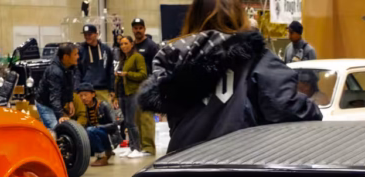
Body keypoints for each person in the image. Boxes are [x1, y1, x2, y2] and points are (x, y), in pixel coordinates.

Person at [138, 0, 321, 154]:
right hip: (238, 165)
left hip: (184, 165)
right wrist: (313, 109)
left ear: (193, 17)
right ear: (238, 16)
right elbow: (286, 107)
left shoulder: (170, 58)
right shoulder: (255, 56)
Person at [131, 17, 160, 157]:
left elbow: (156, 65)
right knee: (136, 118)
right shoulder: (131, 46)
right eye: (135, 28)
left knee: (146, 117)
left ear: (144, 29)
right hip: (133, 86)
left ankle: (149, 148)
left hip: (147, 85)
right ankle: (140, 146)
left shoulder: (151, 45)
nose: (138, 30)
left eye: (140, 28)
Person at [115, 35, 147, 158]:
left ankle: (137, 148)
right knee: (127, 122)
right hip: (123, 93)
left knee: (132, 122)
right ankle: (132, 146)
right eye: (121, 44)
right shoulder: (124, 59)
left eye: (126, 43)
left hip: (133, 93)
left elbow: (143, 75)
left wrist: (127, 74)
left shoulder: (137, 57)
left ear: (132, 44)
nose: (123, 46)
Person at [74, 82, 120, 166]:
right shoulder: (82, 109)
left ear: (93, 94)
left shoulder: (104, 105)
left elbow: (114, 124)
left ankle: (102, 156)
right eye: (81, 96)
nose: (83, 98)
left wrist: (97, 127)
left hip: (109, 136)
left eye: (85, 95)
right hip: (94, 135)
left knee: (90, 130)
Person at [36, 42, 78, 132]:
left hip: (56, 103)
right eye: (75, 54)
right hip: (45, 105)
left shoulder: (69, 67)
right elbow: (54, 96)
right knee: (56, 130)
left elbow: (70, 85)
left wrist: (70, 100)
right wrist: (60, 116)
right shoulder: (54, 72)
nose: (78, 57)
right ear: (66, 57)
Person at [78, 24, 114, 107]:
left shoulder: (106, 49)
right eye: (85, 35)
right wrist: (77, 89)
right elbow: (77, 71)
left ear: (96, 34)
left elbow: (110, 70)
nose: (87, 37)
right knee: (88, 116)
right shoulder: (80, 50)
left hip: (103, 89)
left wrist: (112, 89)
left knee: (106, 115)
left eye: (90, 34)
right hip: (86, 90)